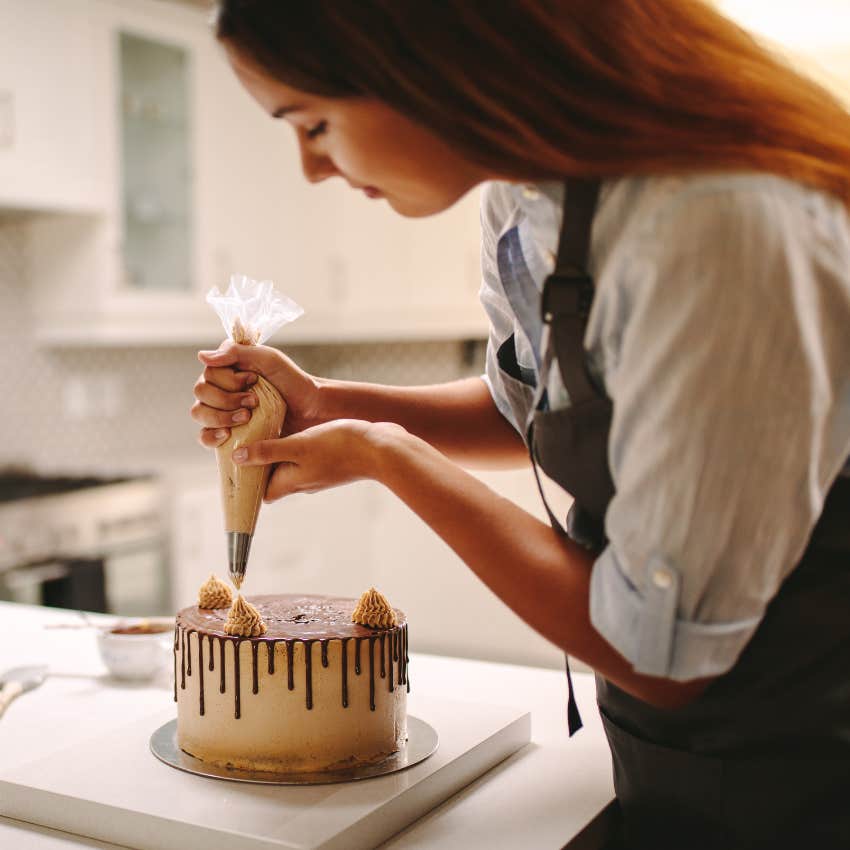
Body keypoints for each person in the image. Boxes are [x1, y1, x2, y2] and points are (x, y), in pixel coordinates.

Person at [190, 3, 850, 848]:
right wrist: (331, 404)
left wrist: (387, 456)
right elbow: (528, 409)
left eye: (314, 123)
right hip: (682, 762)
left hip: (808, 766)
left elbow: (662, 653)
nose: (312, 168)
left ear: (430, 62)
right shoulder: (527, 203)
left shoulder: (716, 228)